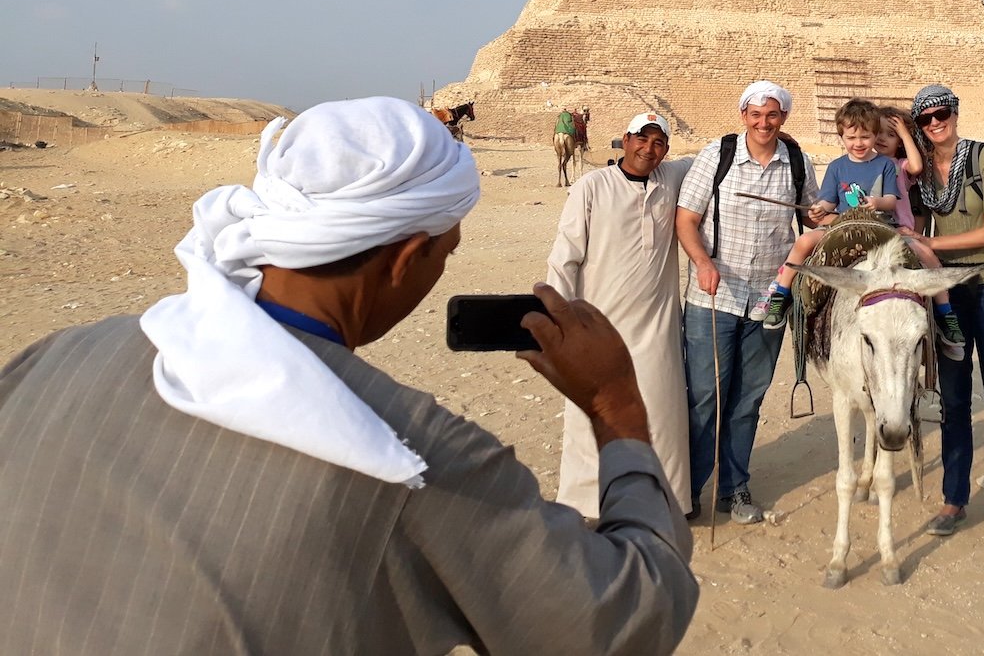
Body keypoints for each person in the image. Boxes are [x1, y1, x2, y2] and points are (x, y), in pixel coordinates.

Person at [0, 97, 697, 656]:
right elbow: (627, 620)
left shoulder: (58, 353)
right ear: (406, 258)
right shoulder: (415, 457)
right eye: (444, 253)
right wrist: (615, 405)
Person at [675, 80, 820, 524]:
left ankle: (734, 488)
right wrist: (701, 260)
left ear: (783, 117)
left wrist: (836, 212)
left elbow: (811, 216)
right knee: (704, 396)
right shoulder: (716, 156)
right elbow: (686, 219)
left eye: (772, 114)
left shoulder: (796, 162)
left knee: (747, 400)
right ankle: (690, 488)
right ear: (743, 115)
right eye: (755, 114)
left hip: (769, 301)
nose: (763, 122)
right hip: (713, 297)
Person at [548, 112, 693, 518]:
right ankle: (587, 503)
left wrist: (774, 133)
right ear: (625, 140)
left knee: (661, 414)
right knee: (592, 416)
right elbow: (564, 259)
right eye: (641, 139)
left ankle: (668, 501)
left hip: (656, 327)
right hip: (599, 325)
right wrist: (563, 323)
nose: (649, 149)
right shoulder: (592, 186)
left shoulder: (671, 179)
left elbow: (718, 155)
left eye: (659, 142)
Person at [906, 84, 984, 539]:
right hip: (951, 291)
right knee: (954, 402)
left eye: (941, 113)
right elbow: (912, 227)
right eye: (925, 119)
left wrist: (932, 243)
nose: (935, 123)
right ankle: (953, 500)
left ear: (955, 113)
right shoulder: (921, 175)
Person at [753, 99, 964, 354]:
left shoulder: (886, 165)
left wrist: (876, 202)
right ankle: (778, 296)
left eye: (865, 137)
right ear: (842, 136)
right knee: (803, 242)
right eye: (852, 137)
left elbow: (890, 201)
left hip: (882, 227)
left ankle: (946, 314)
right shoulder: (836, 166)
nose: (858, 143)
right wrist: (819, 207)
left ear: (874, 136)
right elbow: (829, 200)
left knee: (927, 254)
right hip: (845, 225)